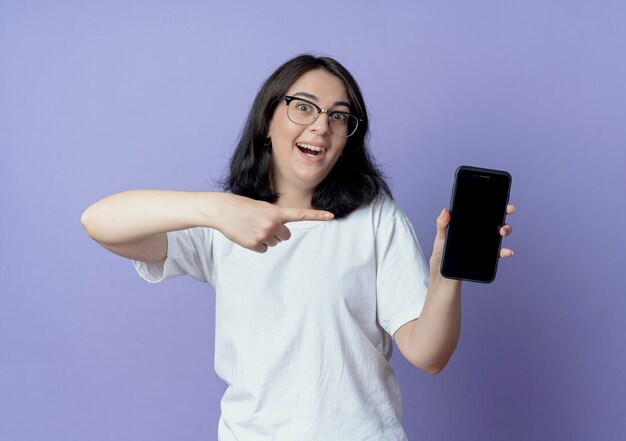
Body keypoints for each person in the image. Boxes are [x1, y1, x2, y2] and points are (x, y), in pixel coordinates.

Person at [81, 54, 514, 441]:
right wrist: (218, 208)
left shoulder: (375, 217)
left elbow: (428, 355)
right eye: (303, 107)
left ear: (347, 139)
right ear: (267, 122)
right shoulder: (223, 222)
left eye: (339, 116)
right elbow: (98, 222)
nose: (321, 125)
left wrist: (445, 276)